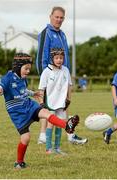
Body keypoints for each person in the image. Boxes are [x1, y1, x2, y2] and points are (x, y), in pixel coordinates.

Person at [0, 52, 79, 169]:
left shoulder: (23, 78)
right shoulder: (8, 77)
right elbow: (1, 86)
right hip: (17, 112)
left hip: (28, 104)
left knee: (46, 112)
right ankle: (19, 162)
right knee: (26, 138)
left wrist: (33, 93)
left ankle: (67, 125)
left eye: (29, 69)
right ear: (18, 67)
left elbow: (24, 90)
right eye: (26, 69)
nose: (28, 71)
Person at [36, 6, 87, 145]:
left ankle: (69, 135)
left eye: (61, 18)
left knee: (63, 105)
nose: (58, 20)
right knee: (48, 107)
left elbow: (65, 58)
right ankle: (43, 136)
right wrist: (45, 78)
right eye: (56, 17)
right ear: (50, 16)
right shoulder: (46, 33)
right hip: (51, 77)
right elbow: (41, 57)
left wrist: (66, 75)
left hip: (62, 77)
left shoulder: (62, 34)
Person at [38, 48, 73, 155]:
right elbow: (41, 89)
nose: (59, 60)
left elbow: (69, 86)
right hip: (51, 103)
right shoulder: (47, 71)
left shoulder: (65, 70)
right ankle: (49, 149)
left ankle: (57, 148)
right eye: (57, 58)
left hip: (61, 102)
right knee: (51, 124)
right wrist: (41, 103)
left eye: (61, 58)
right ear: (52, 58)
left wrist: (68, 99)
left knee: (60, 124)